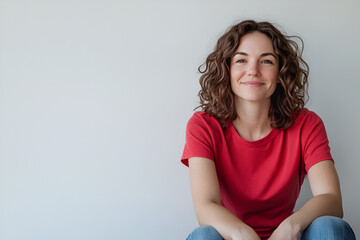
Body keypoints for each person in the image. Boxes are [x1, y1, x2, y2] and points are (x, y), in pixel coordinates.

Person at [181, 20, 356, 240]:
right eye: (241, 60)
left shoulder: (306, 124)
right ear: (227, 69)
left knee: (328, 227)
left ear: (281, 71)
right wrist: (242, 233)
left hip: (287, 237)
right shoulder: (203, 125)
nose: (253, 71)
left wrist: (291, 226)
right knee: (204, 235)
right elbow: (205, 207)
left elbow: (331, 199)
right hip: (233, 237)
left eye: (266, 61)